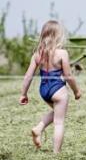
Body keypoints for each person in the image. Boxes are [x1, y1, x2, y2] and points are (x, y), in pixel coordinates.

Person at [19, 20, 82, 153]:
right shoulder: (62, 53)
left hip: (44, 90)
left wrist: (23, 94)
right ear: (58, 36)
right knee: (59, 122)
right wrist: (76, 91)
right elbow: (68, 75)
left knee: (58, 113)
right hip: (58, 90)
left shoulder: (37, 54)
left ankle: (39, 128)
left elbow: (28, 76)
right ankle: (56, 154)